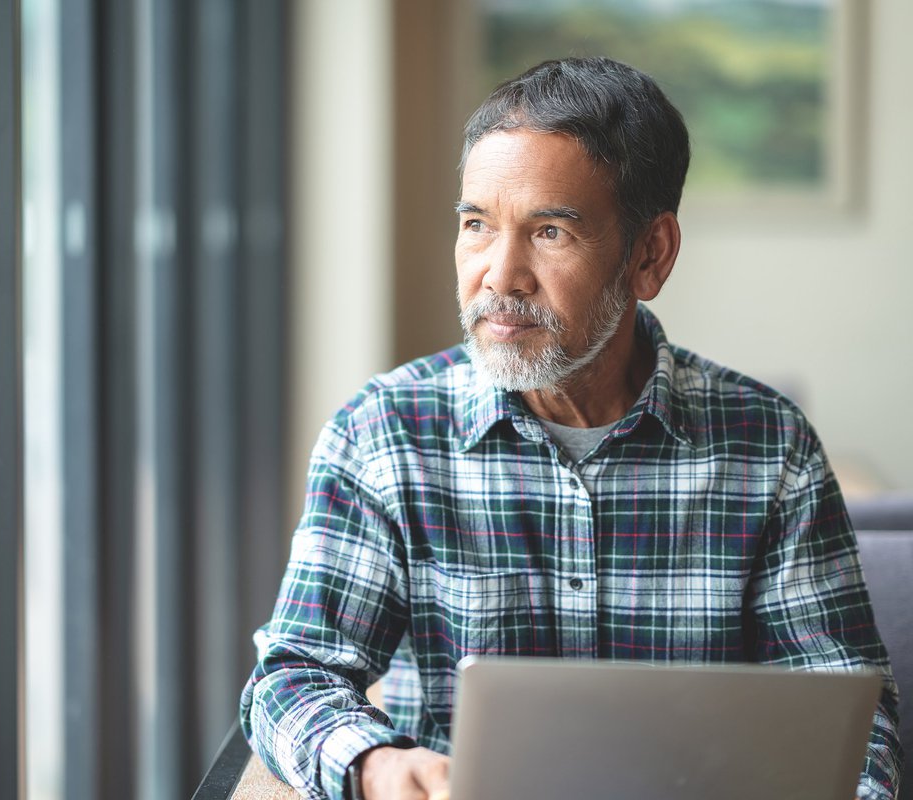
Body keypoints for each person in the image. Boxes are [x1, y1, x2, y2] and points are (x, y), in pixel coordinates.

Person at [239, 57, 902, 800]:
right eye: (476, 226)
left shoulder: (771, 449)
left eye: (549, 231)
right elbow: (295, 677)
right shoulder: (382, 435)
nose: (499, 274)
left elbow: (852, 714)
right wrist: (377, 766)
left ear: (650, 255)